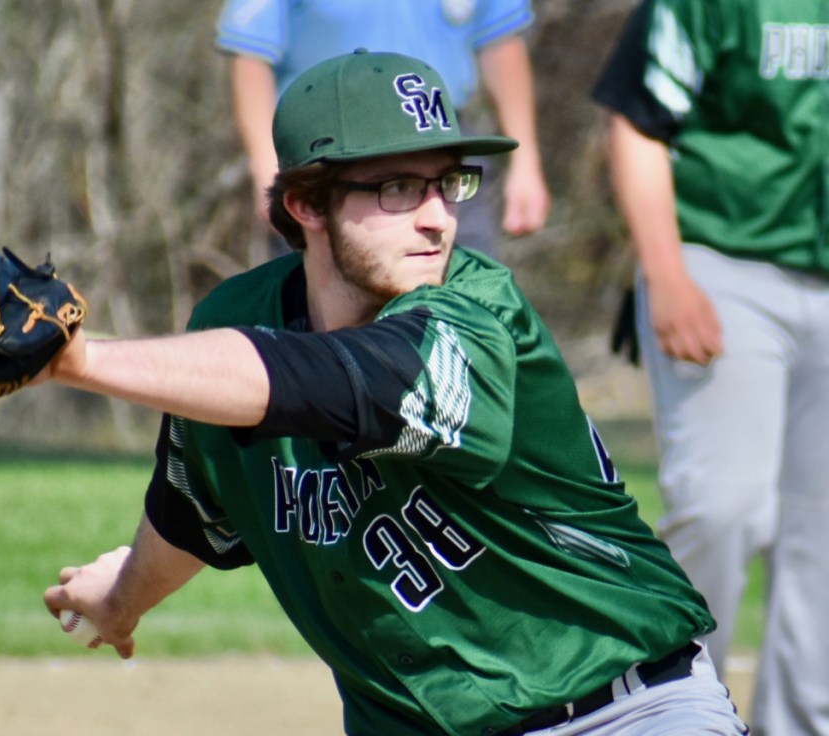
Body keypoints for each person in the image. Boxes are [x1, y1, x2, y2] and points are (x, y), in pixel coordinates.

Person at [42, 50, 747, 735]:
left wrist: (74, 360)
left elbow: (332, 381)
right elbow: (196, 511)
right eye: (399, 188)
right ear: (305, 203)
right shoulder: (233, 321)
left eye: (449, 183)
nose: (439, 218)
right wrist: (123, 597)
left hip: (621, 710)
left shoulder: (478, 317)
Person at [593, 1, 829, 734]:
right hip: (722, 258)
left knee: (822, 535)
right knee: (722, 506)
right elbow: (637, 119)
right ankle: (681, 713)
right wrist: (667, 274)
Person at [215, 0, 551, 258]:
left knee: (471, 301)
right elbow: (250, 54)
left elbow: (500, 42)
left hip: (444, 134)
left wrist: (526, 160)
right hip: (329, 145)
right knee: (321, 312)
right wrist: (266, 163)